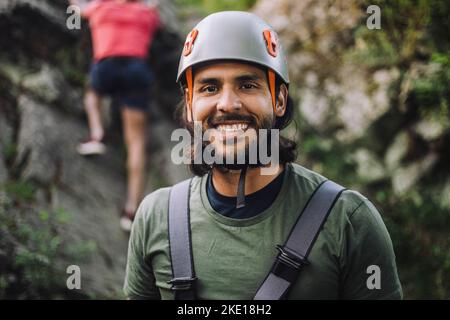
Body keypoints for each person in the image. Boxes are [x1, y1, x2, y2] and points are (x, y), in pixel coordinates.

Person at [124, 11, 403, 299]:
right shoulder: (156, 218)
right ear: (190, 104)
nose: (227, 104)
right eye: (210, 88)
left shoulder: (349, 222)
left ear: (279, 100)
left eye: (247, 85)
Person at [68, 0, 161, 231]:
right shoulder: (145, 13)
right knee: (137, 142)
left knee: (92, 95)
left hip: (106, 66)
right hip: (137, 70)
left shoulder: (101, 6)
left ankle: (97, 134)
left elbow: (78, 9)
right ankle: (131, 211)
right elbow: (157, 20)